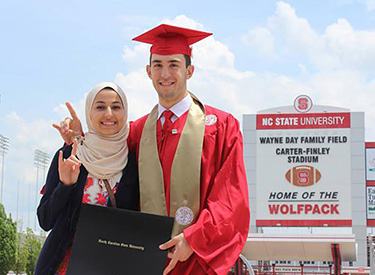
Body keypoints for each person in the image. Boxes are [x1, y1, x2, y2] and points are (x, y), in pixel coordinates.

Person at [57, 24, 250, 275]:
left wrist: (193, 239)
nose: (165, 73)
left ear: (189, 70)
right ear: (148, 71)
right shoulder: (136, 132)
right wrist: (81, 139)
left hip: (196, 261)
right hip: (143, 261)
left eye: (173, 65)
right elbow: (102, 166)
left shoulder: (222, 127)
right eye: (158, 64)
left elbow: (232, 198)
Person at [36, 82, 139, 275]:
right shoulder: (70, 154)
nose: (108, 113)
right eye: (100, 107)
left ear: (125, 112)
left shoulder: (134, 162)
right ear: (89, 113)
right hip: (62, 266)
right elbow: (45, 220)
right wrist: (65, 186)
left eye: (116, 107)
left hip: (112, 266)